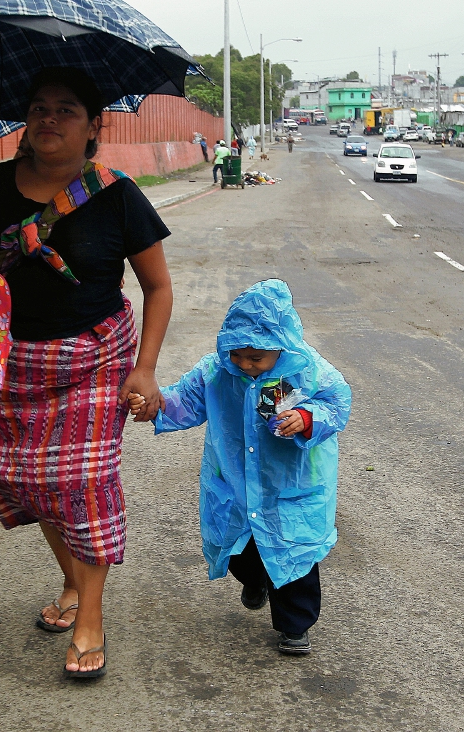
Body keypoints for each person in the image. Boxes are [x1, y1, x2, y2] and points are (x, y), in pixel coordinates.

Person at [0, 67, 174, 679]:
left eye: (66, 109)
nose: (48, 118)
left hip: (95, 361)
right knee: (34, 484)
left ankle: (90, 615)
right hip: (10, 364)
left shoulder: (118, 194)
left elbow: (158, 286)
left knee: (83, 486)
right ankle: (72, 581)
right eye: (39, 107)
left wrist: (144, 370)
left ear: (95, 125)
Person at [143, 280, 352, 656]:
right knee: (240, 548)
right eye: (237, 355)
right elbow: (186, 400)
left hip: (290, 484)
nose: (245, 364)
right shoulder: (216, 372)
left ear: (280, 347)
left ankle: (294, 627)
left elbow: (337, 403)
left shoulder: (308, 371)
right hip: (235, 481)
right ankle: (254, 581)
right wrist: (156, 404)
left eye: (256, 358)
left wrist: (306, 418)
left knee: (293, 555)